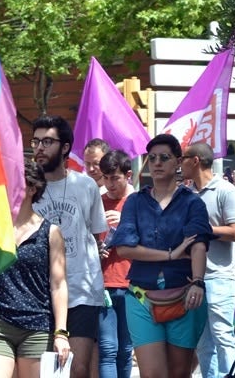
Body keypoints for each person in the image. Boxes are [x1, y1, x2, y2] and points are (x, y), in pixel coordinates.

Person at [107, 134, 214, 378]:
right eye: (152, 158)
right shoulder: (135, 201)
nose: (156, 162)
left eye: (164, 158)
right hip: (141, 297)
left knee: (179, 373)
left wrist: (198, 282)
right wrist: (170, 254)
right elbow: (124, 249)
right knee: (153, 374)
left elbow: (198, 245)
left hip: (185, 294)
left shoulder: (193, 203)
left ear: (178, 162)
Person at [0, 158, 71, 377]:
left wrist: (61, 333)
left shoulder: (51, 232)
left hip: (37, 326)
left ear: (32, 188)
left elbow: (58, 285)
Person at [30, 115, 106, 378]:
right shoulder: (28, 188)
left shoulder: (86, 185)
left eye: (47, 142)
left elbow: (95, 235)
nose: (40, 148)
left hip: (82, 290)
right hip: (39, 292)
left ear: (64, 147)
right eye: (36, 141)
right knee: (45, 370)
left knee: (77, 368)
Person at [180, 143, 235, 378]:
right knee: (203, 343)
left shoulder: (226, 190)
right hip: (191, 279)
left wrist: (204, 229)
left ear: (195, 160)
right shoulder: (185, 194)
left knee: (222, 336)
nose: (179, 163)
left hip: (219, 278)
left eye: (183, 158)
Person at [97, 150, 134, 378]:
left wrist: (126, 222)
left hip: (132, 285)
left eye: (115, 178)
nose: (109, 184)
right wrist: (95, 250)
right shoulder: (97, 202)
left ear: (128, 175)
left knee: (126, 350)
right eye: (105, 177)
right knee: (107, 349)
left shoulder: (138, 203)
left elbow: (152, 240)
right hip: (103, 284)